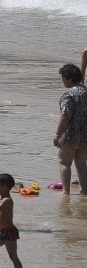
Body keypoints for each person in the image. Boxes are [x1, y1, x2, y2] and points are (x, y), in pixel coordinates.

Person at [56, 63, 87, 194]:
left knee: (65, 163)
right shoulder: (86, 91)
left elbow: (66, 115)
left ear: (68, 78)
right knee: (81, 164)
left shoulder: (68, 94)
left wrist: (57, 134)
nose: (62, 80)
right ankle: (85, 191)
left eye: (63, 78)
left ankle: (66, 192)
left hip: (71, 133)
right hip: (86, 133)